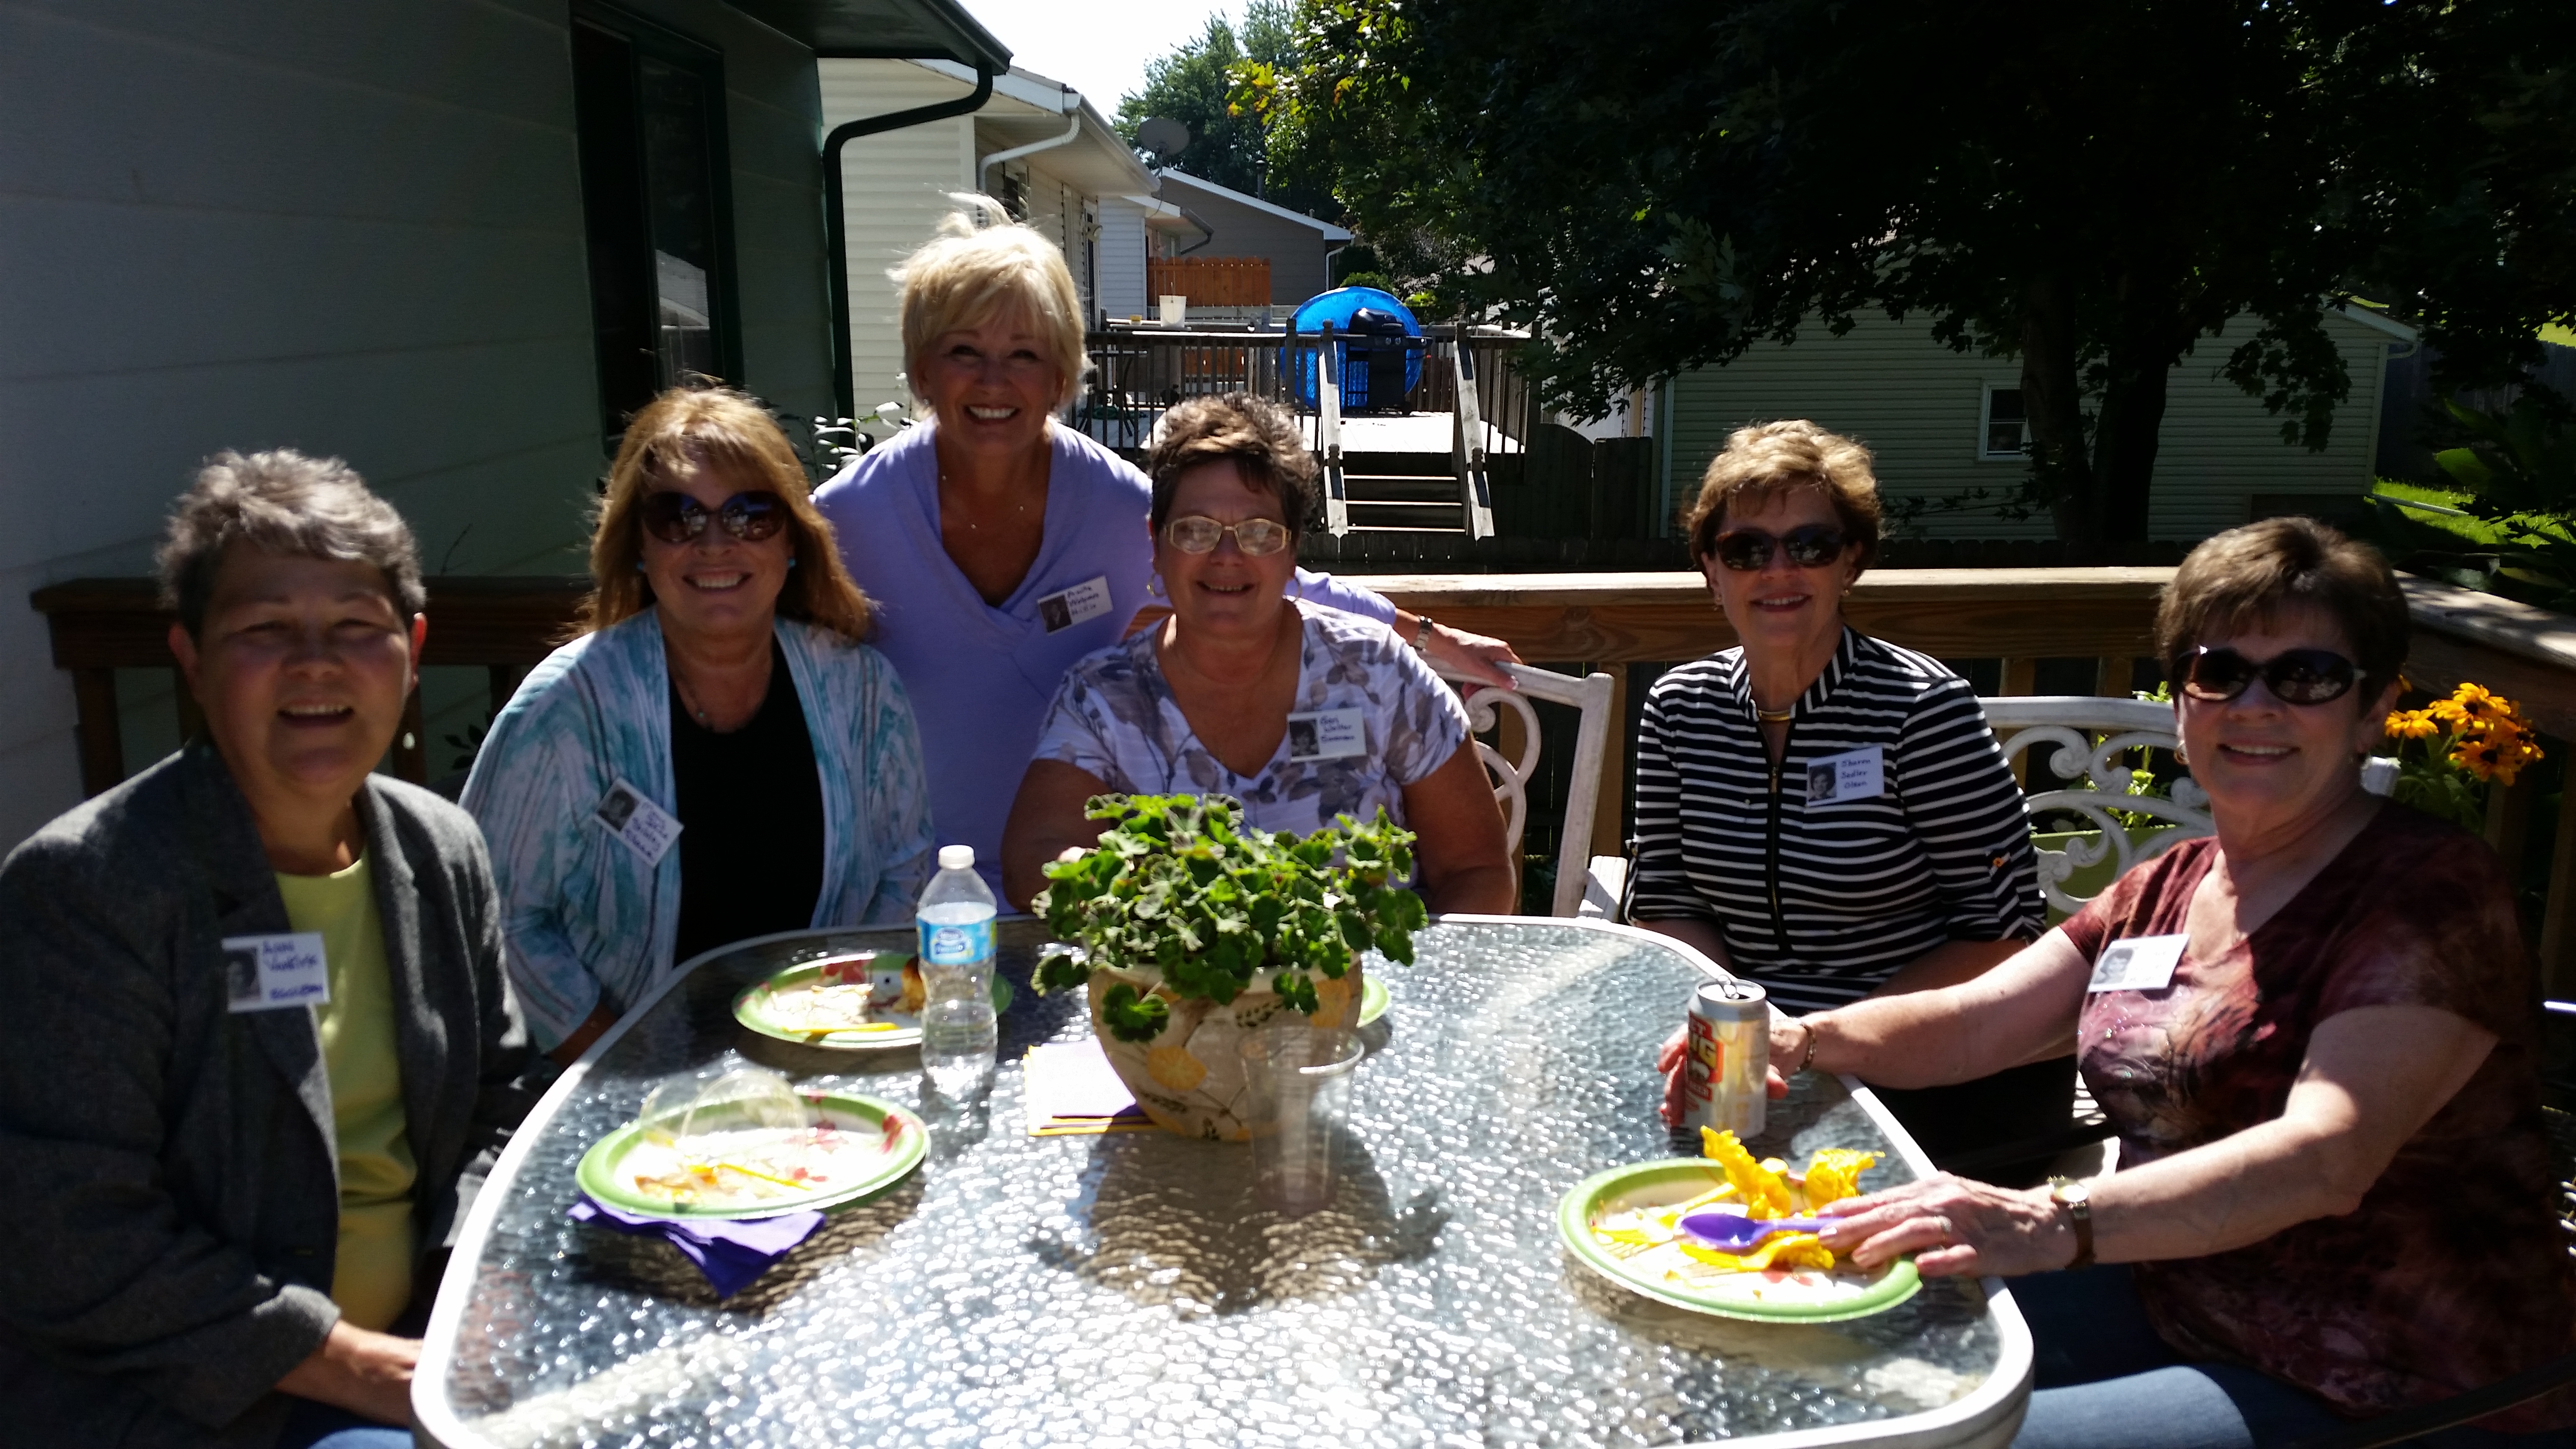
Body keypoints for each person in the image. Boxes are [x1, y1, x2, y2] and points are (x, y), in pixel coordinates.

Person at [1782, 518, 2575, 1446]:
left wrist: (2045, 1217)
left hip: (2391, 1383)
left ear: (2372, 709)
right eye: (2219, 670)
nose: (2255, 703)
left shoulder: (2426, 891)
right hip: (2173, 1289)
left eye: (2305, 675)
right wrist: (1800, 1036)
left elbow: (2324, 1157)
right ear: (2182, 699)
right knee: (1820, 1340)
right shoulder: (2169, 881)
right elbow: (1973, 1023)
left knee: (1924, 1441)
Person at [0, 451, 531, 1448]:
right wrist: (366, 1368)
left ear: (413, 649)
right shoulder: (89, 887)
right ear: (193, 660)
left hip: (421, 1342)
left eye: (356, 626)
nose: (316, 663)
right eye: (264, 630)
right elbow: (69, 1235)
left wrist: (476, 1293)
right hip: (201, 1402)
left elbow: (497, 1105)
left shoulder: (441, 846)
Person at [814, 201, 1520, 895]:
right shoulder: (847, 522)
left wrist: (1426, 637)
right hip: (916, 884)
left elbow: (1265, 572)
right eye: (964, 351)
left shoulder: (1114, 503)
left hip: (1076, 881)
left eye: (1023, 354)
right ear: (922, 371)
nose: (993, 380)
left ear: (1059, 376)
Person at [1636, 420, 2064, 1180]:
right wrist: (1736, 1024)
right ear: (1711, 568)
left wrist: (1816, 1038)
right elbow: (1669, 901)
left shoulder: (1922, 710)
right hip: (1751, 1049)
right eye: (1746, 550)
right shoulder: (1679, 709)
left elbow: (2002, 936)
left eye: (1811, 545)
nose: (1780, 570)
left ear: (1851, 561)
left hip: (1925, 1058)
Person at [465, 387, 934, 1063]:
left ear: (793, 541)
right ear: (638, 545)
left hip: (822, 1058)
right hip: (620, 1076)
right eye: (677, 517)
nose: (715, 544)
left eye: (751, 516)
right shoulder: (564, 709)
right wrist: (623, 1059)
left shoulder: (862, 690)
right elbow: (498, 913)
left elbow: (903, 872)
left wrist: (838, 1031)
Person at [1000, 394, 1518, 915]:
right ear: (1155, 546)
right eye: (1195, 530)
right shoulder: (1102, 696)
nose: (1226, 556)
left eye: (1259, 533)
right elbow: (1034, 858)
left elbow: (1477, 869)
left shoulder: (1378, 672)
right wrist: (1147, 894)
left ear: (1292, 552)